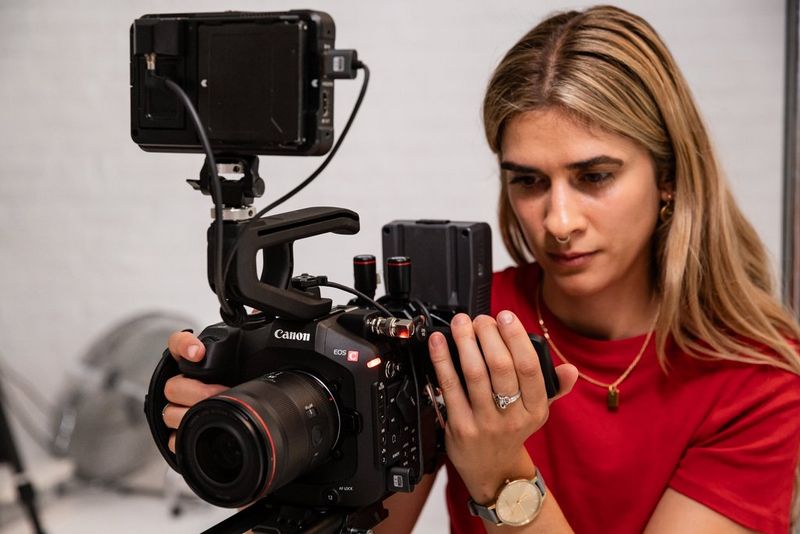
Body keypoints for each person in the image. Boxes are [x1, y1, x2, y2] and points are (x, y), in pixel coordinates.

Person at [162, 5, 800, 533]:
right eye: (528, 180)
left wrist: (499, 470)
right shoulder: (457, 324)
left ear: (668, 178)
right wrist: (268, 433)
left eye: (595, 177)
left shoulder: (755, 375)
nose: (558, 221)